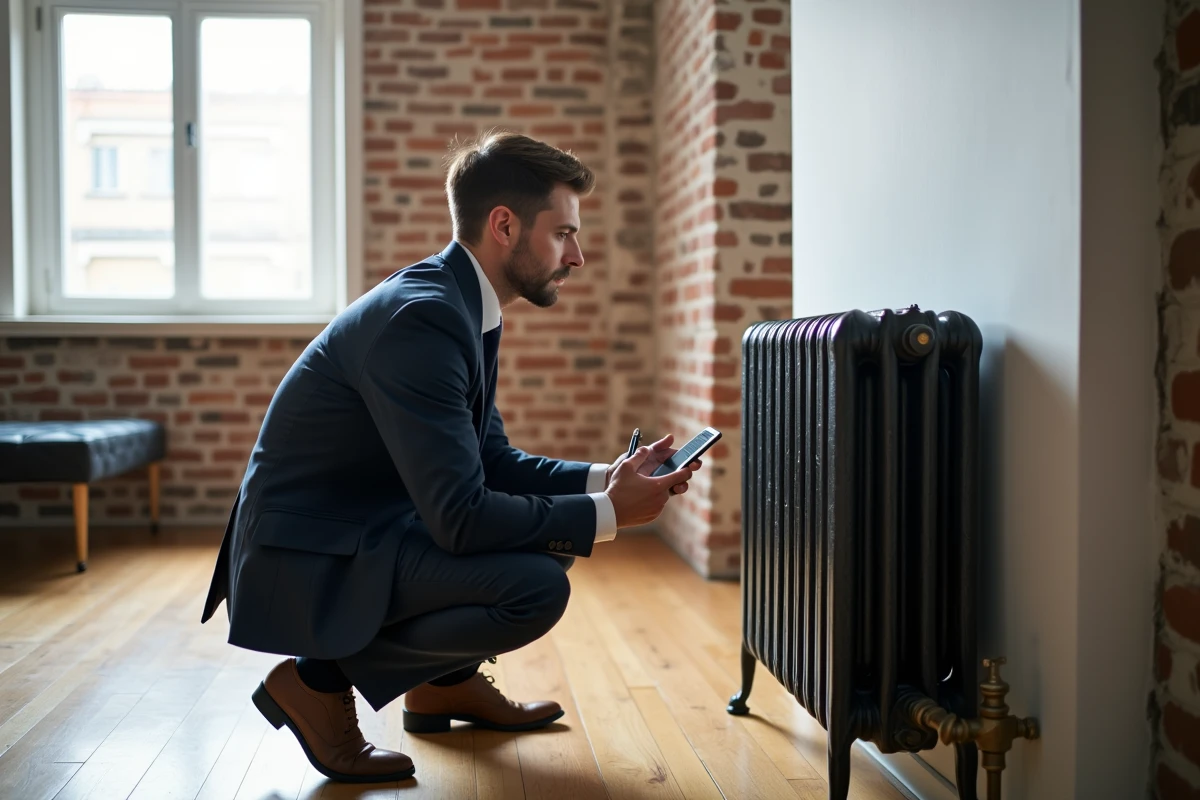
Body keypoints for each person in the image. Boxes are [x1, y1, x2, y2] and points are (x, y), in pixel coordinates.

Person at [200, 130, 702, 784]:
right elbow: (460, 519)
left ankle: (442, 684)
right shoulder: (426, 320)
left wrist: (604, 480)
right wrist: (606, 513)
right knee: (537, 583)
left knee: (551, 536)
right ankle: (314, 682)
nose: (578, 257)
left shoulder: (458, 304)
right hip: (305, 554)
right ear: (504, 225)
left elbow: (488, 459)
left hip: (356, 525)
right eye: (564, 234)